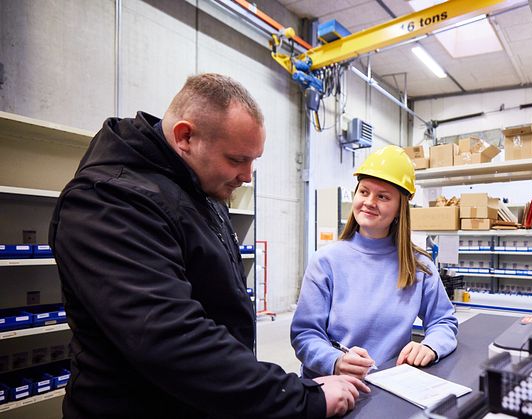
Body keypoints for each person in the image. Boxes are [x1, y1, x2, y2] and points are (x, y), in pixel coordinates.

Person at [49, 73, 368, 418]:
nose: (248, 175)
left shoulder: (197, 188)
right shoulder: (110, 202)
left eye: (253, 159)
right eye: (236, 159)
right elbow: (173, 341)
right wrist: (300, 398)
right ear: (185, 137)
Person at [291, 146, 458, 380]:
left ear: (401, 207)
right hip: (332, 386)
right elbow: (305, 334)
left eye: (383, 196)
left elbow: (443, 320)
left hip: (390, 387)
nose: (369, 202)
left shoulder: (419, 266)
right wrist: (335, 361)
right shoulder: (326, 261)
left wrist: (430, 346)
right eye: (364, 191)